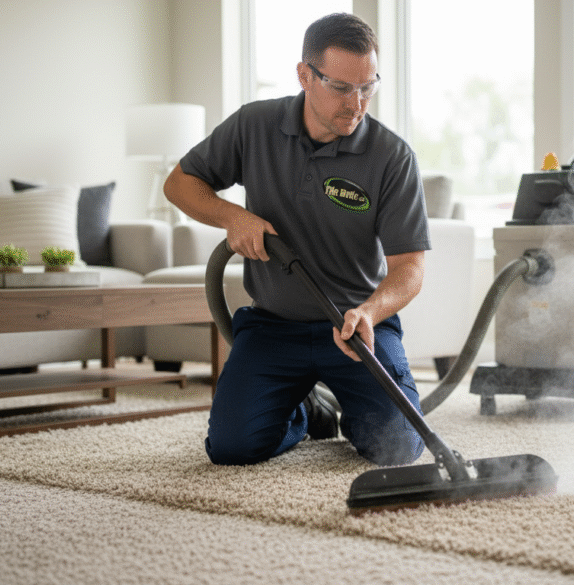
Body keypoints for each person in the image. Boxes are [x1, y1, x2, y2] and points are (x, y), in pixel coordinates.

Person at [163, 13, 430, 467]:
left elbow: (410, 268)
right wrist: (233, 216)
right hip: (273, 326)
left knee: (398, 447)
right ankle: (306, 412)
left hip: (353, 328)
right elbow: (179, 184)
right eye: (341, 88)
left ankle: (354, 413)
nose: (357, 104)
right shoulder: (254, 125)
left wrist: (370, 311)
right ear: (305, 75)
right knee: (231, 447)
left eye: (368, 88)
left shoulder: (392, 157)